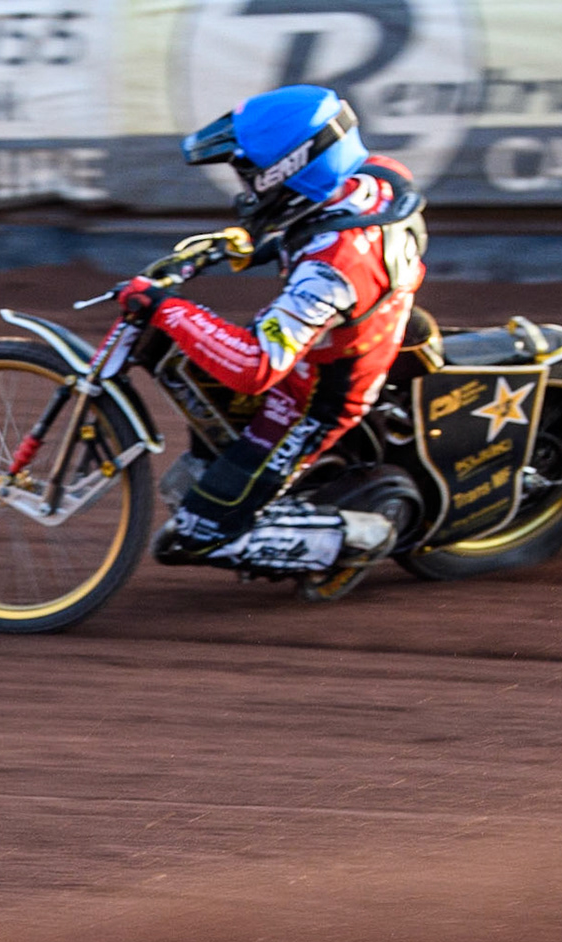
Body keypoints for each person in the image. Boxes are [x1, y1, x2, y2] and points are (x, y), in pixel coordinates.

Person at [118, 84, 428, 581]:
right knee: (196, 461)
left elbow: (255, 367)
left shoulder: (332, 271)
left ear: (291, 171)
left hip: (317, 400)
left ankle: (364, 533)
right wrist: (241, 248)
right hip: (356, 329)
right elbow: (316, 231)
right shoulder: (375, 178)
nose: (245, 188)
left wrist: (166, 308)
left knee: (190, 537)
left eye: (250, 175)